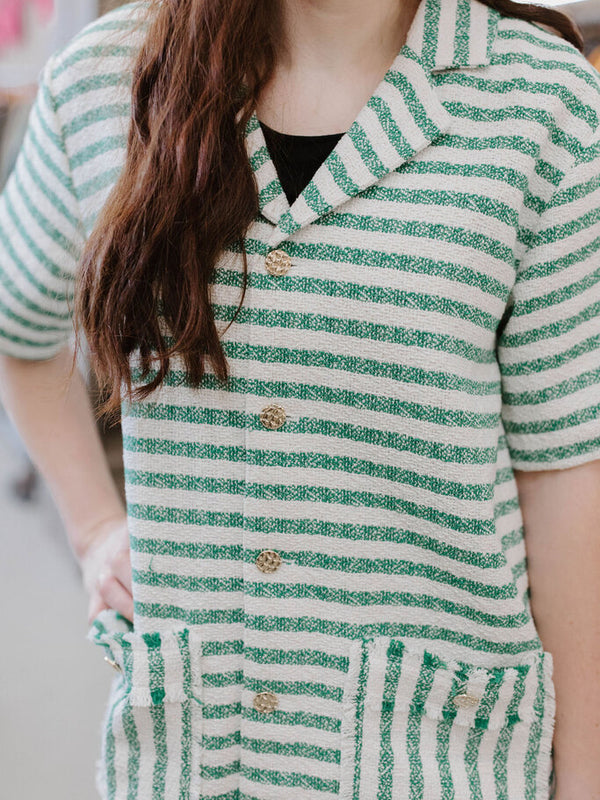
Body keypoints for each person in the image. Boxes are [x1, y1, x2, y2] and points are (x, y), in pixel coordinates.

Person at [0, 0, 599, 797]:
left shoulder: (543, 102)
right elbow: (17, 324)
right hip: (195, 759)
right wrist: (94, 529)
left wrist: (586, 777)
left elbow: (565, 469)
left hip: (436, 760)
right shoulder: (104, 79)